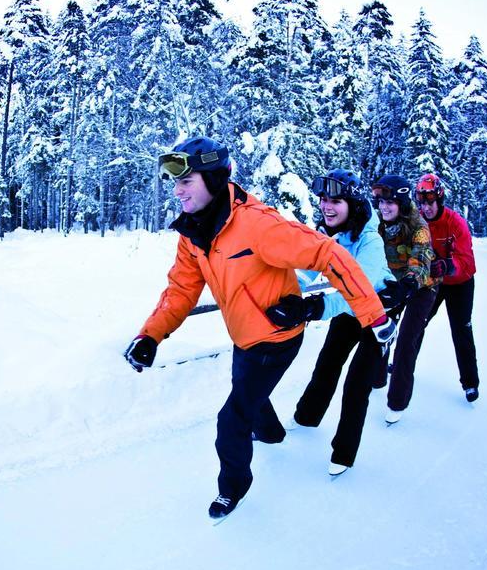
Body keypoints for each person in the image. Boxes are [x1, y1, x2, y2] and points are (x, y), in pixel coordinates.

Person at [123, 136, 396, 521]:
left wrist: (375, 317)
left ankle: (232, 489)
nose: (177, 190)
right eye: (175, 181)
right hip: (244, 336)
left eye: (186, 180)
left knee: (231, 418)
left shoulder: (258, 226)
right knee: (248, 391)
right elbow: (183, 288)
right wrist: (150, 334)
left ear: (214, 180)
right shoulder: (194, 233)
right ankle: (269, 431)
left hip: (277, 338)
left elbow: (327, 253)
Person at [273, 169, 396, 476]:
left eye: (336, 200)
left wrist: (316, 307)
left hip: (377, 313)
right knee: (327, 365)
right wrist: (279, 291)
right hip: (347, 311)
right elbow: (305, 273)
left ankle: (344, 453)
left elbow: (359, 290)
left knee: (357, 384)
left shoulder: (370, 242)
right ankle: (306, 417)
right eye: (324, 199)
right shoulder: (333, 237)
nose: (327, 206)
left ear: (352, 204)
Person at [371, 174, 436, 424]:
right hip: (393, 282)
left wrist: (409, 282)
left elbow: (421, 255)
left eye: (390, 203)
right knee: (379, 330)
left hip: (422, 285)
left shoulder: (418, 225)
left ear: (401, 202)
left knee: (407, 339)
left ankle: (397, 402)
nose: (384, 207)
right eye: (381, 202)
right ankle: (376, 378)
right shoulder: (378, 222)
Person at [415, 173, 480, 402]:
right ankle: (404, 366)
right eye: (422, 203)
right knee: (416, 322)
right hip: (435, 282)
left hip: (460, 284)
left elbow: (467, 262)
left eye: (430, 202)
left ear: (439, 199)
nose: (426, 207)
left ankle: (470, 383)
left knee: (461, 329)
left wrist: (447, 265)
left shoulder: (456, 223)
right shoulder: (418, 221)